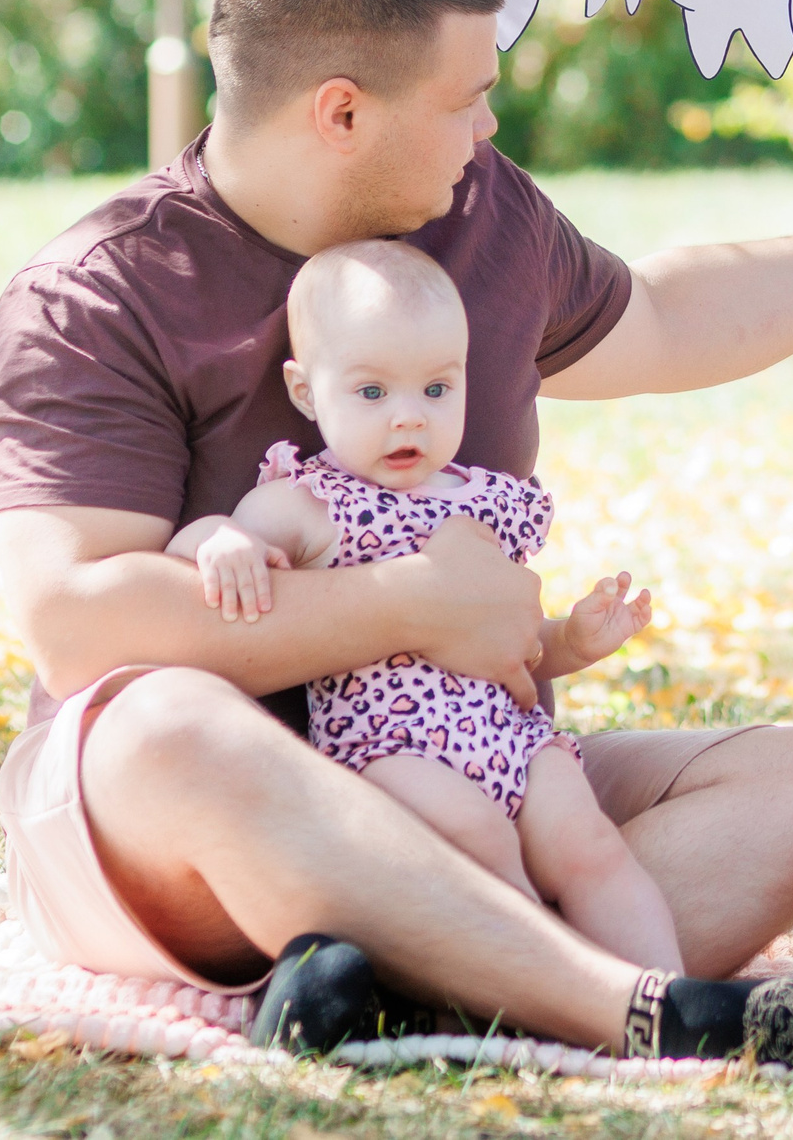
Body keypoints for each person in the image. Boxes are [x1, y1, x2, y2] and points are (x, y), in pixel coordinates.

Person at [0, 0, 793, 1064]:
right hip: (190, 825)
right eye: (466, 98)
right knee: (160, 726)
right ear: (341, 112)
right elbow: (79, 624)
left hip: (463, 769)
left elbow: (670, 315)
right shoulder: (99, 294)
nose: (487, 128)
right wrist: (413, 605)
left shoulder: (477, 214)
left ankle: (399, 987)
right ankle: (634, 1011)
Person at [169, 239, 680, 970]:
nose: (409, 419)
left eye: (436, 390)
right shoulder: (309, 503)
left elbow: (516, 643)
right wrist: (217, 541)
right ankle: (560, 995)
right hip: (390, 749)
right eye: (372, 393)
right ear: (308, 391)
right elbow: (189, 550)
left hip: (511, 736)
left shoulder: (485, 500)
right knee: (484, 846)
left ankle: (671, 1000)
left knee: (591, 846)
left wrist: (574, 638)